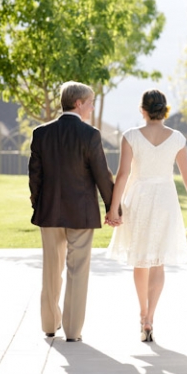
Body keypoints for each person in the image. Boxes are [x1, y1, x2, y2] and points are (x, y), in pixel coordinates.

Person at [105, 89, 187, 342]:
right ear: (165, 110)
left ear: (143, 110)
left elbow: (123, 175)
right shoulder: (177, 138)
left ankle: (143, 315)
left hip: (139, 198)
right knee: (158, 261)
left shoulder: (130, 136)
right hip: (165, 200)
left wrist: (114, 207)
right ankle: (151, 317)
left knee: (141, 260)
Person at [28, 81, 118, 342]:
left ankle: (49, 324)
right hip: (81, 214)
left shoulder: (41, 133)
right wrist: (113, 208)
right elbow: (102, 175)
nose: (92, 107)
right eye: (90, 103)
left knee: (51, 270)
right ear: (78, 103)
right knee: (78, 272)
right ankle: (73, 331)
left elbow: (34, 177)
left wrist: (39, 205)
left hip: (49, 213)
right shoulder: (90, 135)